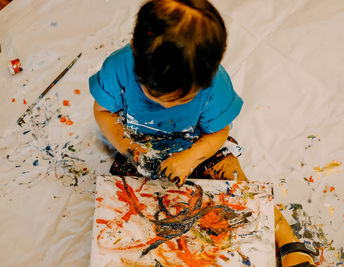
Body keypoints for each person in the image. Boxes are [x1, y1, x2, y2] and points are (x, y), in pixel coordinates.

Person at [89, 0, 317, 266]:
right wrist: (130, 150)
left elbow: (219, 133)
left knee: (237, 186)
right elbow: (103, 113)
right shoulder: (118, 68)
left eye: (182, 99)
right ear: (135, 52)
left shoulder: (215, 84)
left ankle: (289, 242)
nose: (167, 106)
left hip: (197, 145)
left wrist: (191, 158)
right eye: (155, 95)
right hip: (141, 147)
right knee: (133, 210)